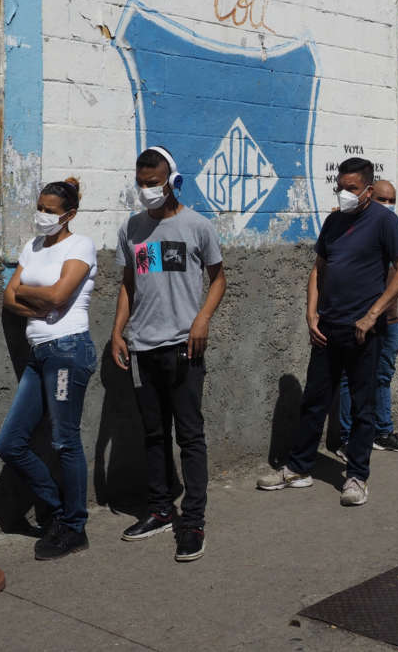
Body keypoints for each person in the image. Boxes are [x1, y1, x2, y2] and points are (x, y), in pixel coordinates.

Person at [257, 157, 398, 506]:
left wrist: (372, 315)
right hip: (327, 328)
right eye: (340, 187)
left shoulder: (385, 222)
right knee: (314, 400)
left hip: (363, 332)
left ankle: (357, 477)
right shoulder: (333, 222)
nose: (344, 193)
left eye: (352, 188)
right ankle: (298, 468)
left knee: (362, 407)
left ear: (369, 191)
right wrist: (311, 313)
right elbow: (318, 269)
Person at [112, 147, 226, 563]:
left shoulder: (197, 226)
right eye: (141, 183)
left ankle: (192, 520)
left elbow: (218, 279)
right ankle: (160, 509)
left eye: (153, 182)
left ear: (172, 179)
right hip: (142, 346)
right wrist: (117, 331)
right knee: (154, 434)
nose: (146, 190)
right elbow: (128, 282)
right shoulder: (132, 229)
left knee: (189, 435)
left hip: (183, 346)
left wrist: (202, 320)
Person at [0, 178, 98, 561]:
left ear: (69, 214)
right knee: (10, 443)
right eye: (39, 207)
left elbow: (59, 295)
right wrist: (35, 303)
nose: (42, 216)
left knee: (64, 440)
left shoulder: (80, 245)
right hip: (39, 352)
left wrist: (30, 292)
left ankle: (74, 527)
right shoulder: (32, 246)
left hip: (68, 350)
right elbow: (9, 296)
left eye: (50, 211)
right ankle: (58, 510)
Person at [334, 179, 398, 453]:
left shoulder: (391, 229)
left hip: (389, 321)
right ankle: (346, 438)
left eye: (392, 200)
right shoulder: (353, 229)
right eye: (382, 199)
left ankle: (383, 431)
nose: (388, 206)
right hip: (358, 319)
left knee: (383, 376)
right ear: (369, 197)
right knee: (348, 379)